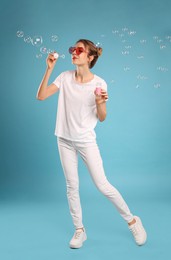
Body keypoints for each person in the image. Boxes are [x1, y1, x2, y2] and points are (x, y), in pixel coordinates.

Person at [36, 39, 147, 249]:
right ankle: (79, 230)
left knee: (102, 185)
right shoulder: (64, 77)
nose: (74, 53)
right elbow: (41, 96)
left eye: (80, 50)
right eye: (72, 49)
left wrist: (99, 102)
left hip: (86, 141)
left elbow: (102, 117)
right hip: (64, 139)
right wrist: (49, 69)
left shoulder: (99, 84)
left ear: (90, 57)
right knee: (72, 187)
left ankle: (133, 221)